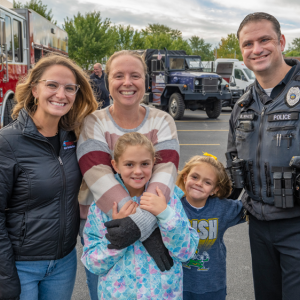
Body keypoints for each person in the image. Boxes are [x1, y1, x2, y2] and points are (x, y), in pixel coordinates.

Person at [77, 50, 180, 299]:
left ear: (145, 80)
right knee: (107, 287)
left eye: (135, 75)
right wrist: (141, 226)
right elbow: (97, 174)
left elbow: (165, 172)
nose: (127, 82)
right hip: (104, 224)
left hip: (156, 220)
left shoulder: (163, 120)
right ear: (108, 81)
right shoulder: (94, 122)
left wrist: (141, 224)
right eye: (118, 75)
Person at [0, 53, 98, 300]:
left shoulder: (76, 138)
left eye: (69, 88)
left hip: (64, 263)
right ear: (34, 89)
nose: (60, 94)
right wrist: (4, 276)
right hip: (22, 266)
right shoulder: (7, 142)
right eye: (52, 85)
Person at [227, 12, 300, 300]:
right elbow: (232, 165)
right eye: (248, 44)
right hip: (258, 225)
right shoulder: (243, 104)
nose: (256, 49)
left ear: (281, 41)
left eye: (264, 39)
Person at [81, 132, 199, 299]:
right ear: (115, 165)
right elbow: (92, 263)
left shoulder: (166, 198)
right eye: (129, 164)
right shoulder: (102, 206)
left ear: (153, 163)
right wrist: (117, 237)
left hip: (164, 294)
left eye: (144, 164)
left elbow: (187, 252)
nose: (137, 171)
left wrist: (165, 215)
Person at [176, 155, 245, 300]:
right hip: (178, 285)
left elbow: (250, 207)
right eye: (194, 177)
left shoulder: (222, 208)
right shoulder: (173, 206)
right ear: (184, 177)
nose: (199, 183)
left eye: (207, 182)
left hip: (212, 286)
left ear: (215, 189)